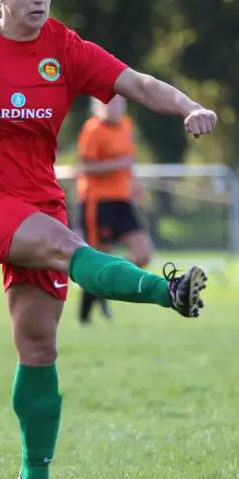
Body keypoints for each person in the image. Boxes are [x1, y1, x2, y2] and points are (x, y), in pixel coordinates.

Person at [0, 0, 217, 479]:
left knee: (38, 344)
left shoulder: (65, 48)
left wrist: (187, 106)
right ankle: (166, 291)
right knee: (65, 245)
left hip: (39, 201)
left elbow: (137, 83)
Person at [75, 94, 151, 325]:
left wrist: (135, 183)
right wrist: (117, 165)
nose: (115, 107)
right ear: (98, 107)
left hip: (122, 200)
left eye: (119, 103)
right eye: (109, 103)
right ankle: (85, 315)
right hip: (97, 201)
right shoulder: (92, 129)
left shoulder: (127, 125)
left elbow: (130, 160)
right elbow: (85, 167)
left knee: (143, 254)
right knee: (100, 257)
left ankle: (106, 284)